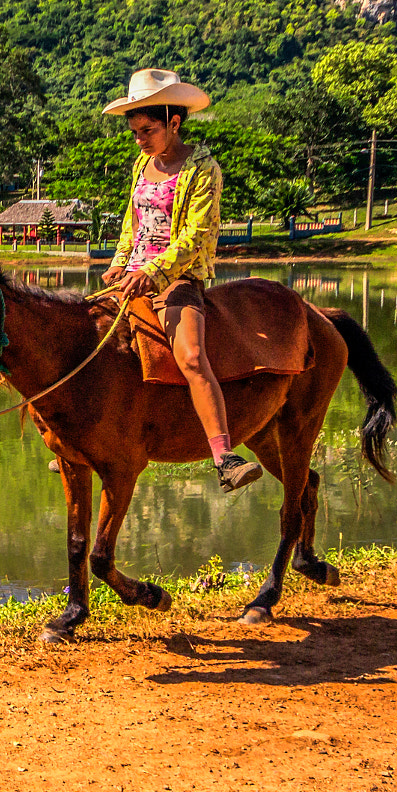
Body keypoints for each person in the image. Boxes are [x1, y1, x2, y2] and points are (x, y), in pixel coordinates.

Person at [100, 68, 263, 493]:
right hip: (133, 275)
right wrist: (120, 263)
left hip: (178, 278)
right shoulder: (141, 164)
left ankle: (224, 456)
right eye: (135, 132)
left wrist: (152, 273)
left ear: (174, 122)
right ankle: (87, 441)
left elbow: (197, 235)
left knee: (191, 357)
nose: (140, 140)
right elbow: (131, 223)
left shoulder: (203, 169)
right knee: (85, 342)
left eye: (148, 130)